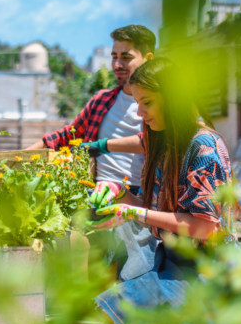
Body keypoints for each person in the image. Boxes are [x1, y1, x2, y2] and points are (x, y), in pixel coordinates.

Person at [87, 57, 240, 324]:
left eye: (147, 103)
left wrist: (131, 212)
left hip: (207, 271)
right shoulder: (165, 141)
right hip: (171, 259)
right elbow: (155, 207)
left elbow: (202, 228)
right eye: (138, 103)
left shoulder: (203, 147)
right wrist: (119, 192)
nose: (140, 113)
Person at [27, 25, 156, 281]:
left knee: (105, 249)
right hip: (93, 191)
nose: (117, 64)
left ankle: (99, 306)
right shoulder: (102, 100)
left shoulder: (156, 105)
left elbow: (155, 142)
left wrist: (103, 145)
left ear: (148, 59)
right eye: (114, 56)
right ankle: (81, 305)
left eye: (126, 57)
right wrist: (16, 157)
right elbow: (66, 136)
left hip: (136, 197)